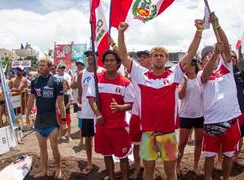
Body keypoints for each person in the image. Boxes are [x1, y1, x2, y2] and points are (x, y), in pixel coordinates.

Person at [118, 18, 204, 180]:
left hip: (168, 133)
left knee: (170, 171)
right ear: (151, 59)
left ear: (166, 59)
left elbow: (190, 53)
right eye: (155, 55)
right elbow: (122, 55)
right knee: (148, 171)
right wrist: (121, 33)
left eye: (161, 55)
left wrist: (199, 31)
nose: (158, 57)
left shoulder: (175, 74)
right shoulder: (140, 74)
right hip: (148, 133)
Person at [199, 14, 241, 180]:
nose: (211, 56)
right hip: (211, 122)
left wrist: (217, 25)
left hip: (231, 120)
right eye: (206, 56)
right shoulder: (203, 73)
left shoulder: (227, 68)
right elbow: (206, 75)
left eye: (212, 54)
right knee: (209, 156)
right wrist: (215, 53)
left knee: (229, 155)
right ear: (202, 62)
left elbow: (225, 43)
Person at [87, 50, 134, 180]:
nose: (108, 63)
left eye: (112, 60)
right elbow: (91, 99)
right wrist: (98, 114)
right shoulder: (96, 79)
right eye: (106, 60)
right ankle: (112, 177)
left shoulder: (125, 82)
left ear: (118, 63)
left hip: (119, 127)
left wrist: (120, 107)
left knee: (123, 157)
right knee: (107, 155)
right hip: (102, 126)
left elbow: (131, 104)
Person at [25, 58, 66, 178]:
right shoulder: (34, 81)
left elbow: (61, 103)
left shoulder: (56, 82)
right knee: (42, 148)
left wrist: (63, 121)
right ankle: (44, 169)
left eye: (43, 65)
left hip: (52, 120)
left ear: (49, 67)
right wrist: (27, 116)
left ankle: (58, 168)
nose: (41, 67)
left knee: (54, 147)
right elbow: (30, 100)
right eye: (40, 65)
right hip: (39, 120)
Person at [77, 50, 103, 174]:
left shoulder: (102, 71)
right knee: (88, 139)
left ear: (97, 57)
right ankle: (89, 162)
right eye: (87, 55)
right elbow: (80, 93)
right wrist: (79, 103)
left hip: (101, 110)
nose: (89, 57)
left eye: (92, 54)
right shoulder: (81, 73)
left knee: (104, 137)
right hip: (87, 111)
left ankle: (108, 162)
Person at [176, 59, 203, 175]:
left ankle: (195, 166)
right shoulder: (181, 79)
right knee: (182, 143)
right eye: (189, 64)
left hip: (200, 115)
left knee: (198, 142)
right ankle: (177, 165)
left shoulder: (201, 78)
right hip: (185, 115)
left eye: (193, 64)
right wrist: (186, 82)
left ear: (195, 66)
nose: (191, 66)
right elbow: (181, 96)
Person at [129, 49, 151, 179]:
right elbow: (124, 56)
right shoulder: (135, 71)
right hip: (137, 113)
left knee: (150, 144)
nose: (141, 59)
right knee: (136, 143)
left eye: (144, 57)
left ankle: (149, 169)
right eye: (140, 57)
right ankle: (137, 167)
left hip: (150, 115)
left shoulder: (157, 73)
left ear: (150, 59)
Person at [71, 59, 85, 146]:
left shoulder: (84, 73)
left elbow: (76, 85)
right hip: (77, 99)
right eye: (77, 64)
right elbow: (72, 85)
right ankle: (81, 137)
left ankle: (82, 139)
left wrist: (76, 83)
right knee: (79, 118)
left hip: (84, 100)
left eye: (80, 64)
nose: (78, 66)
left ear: (83, 65)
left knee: (83, 118)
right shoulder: (75, 74)